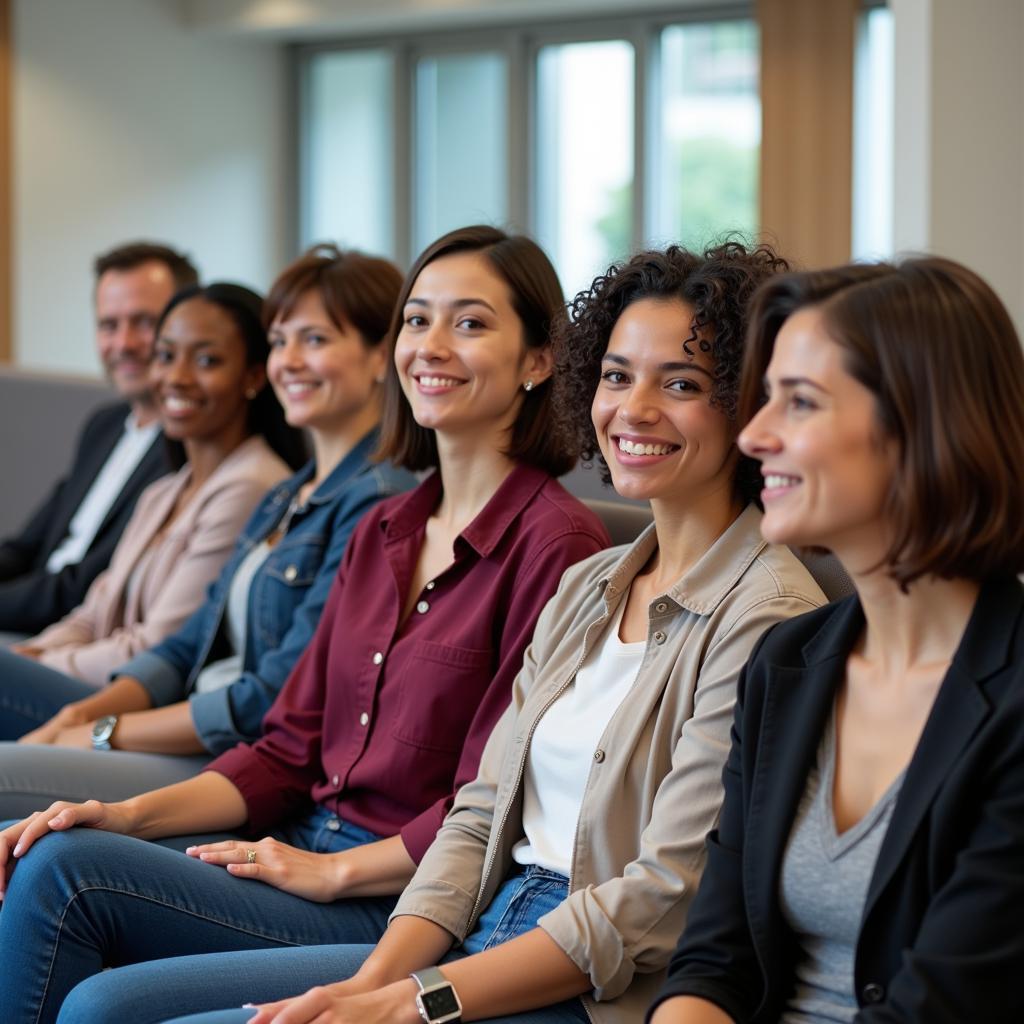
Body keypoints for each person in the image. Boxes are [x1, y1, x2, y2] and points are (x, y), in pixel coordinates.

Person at [39, 241, 825, 1024]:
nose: (635, 408)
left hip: (591, 982)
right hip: (467, 922)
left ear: (748, 403)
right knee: (105, 999)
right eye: (618, 376)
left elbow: (660, 896)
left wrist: (415, 996)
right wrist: (371, 984)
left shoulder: (761, 613)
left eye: (680, 383)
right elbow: (481, 811)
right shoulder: (595, 584)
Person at [0, 225, 610, 1024]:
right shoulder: (386, 526)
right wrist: (125, 816)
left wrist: (336, 870)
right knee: (60, 849)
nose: (431, 345)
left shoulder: (558, 545)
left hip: (399, 899)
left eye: (470, 323)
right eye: (418, 320)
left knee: (70, 897)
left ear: (539, 360)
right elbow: (286, 749)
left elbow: (489, 803)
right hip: (297, 844)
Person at [646, 257, 1024, 1024]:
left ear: (921, 424)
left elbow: (944, 1007)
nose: (753, 434)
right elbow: (715, 961)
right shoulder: (786, 663)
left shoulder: (1014, 698)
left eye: (802, 402)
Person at [0, 246, 416, 813]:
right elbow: (185, 644)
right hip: (191, 724)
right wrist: (82, 715)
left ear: (380, 358)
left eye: (314, 340)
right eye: (280, 341)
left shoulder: (376, 502)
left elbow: (271, 697)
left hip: (236, 757)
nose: (289, 361)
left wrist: (106, 730)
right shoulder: (289, 492)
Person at [0, 283, 306, 737]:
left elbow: (158, 646)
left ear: (254, 377)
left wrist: (40, 663)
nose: (176, 377)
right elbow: (94, 611)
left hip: (140, 705)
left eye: (206, 361)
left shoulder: (252, 485)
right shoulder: (165, 489)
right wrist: (36, 654)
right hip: (94, 680)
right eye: (166, 356)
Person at [0, 242, 199, 637]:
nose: (123, 343)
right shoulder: (104, 426)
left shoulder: (189, 451)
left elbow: (81, 588)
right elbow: (26, 548)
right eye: (109, 325)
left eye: (143, 322)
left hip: (80, 634)